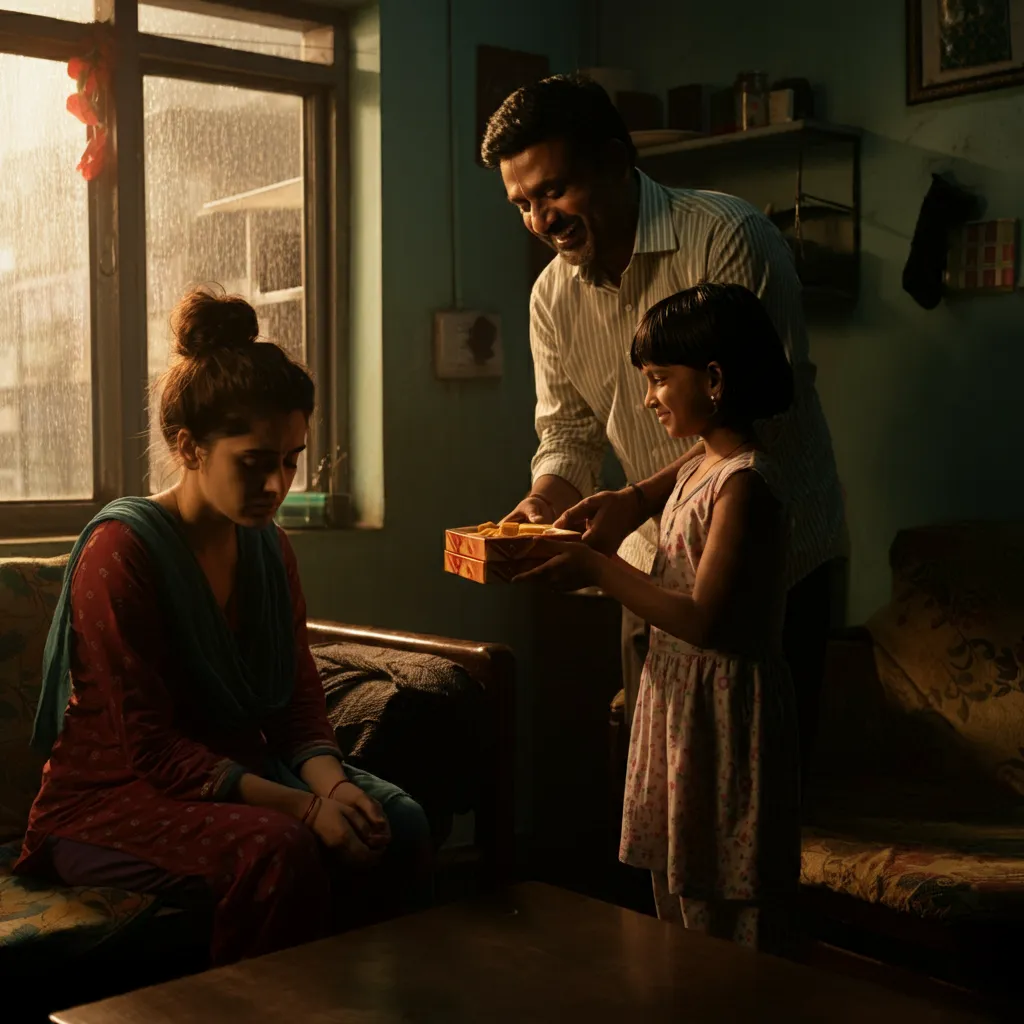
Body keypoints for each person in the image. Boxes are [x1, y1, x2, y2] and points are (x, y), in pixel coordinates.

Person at [16, 287, 432, 966]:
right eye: (254, 462)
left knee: (400, 822)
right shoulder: (122, 551)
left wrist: (334, 788)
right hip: (115, 798)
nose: (277, 484)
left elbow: (300, 700)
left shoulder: (267, 545)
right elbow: (149, 748)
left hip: (241, 772)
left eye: (291, 459)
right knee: (281, 850)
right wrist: (301, 811)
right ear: (188, 446)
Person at [481, 74, 843, 777]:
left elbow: (756, 417)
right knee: (669, 789)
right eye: (521, 203)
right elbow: (568, 435)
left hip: (775, 566)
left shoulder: (729, 237)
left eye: (553, 191)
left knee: (767, 796)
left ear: (617, 162)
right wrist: (538, 510)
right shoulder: (551, 296)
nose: (538, 220)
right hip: (651, 567)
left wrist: (636, 499)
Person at [516, 283, 800, 951]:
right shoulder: (707, 458)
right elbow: (671, 477)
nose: (648, 398)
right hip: (681, 705)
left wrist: (597, 570)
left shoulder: (747, 483)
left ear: (715, 379)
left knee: (727, 903)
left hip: (725, 716)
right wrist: (627, 497)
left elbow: (703, 619)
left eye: (659, 380)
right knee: (677, 884)